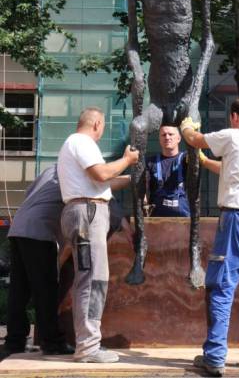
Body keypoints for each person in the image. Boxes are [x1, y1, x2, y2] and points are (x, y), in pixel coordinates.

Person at [126, 0, 214, 287]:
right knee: (135, 130)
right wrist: (137, 75)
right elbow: (132, 43)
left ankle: (195, 247)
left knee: (193, 144)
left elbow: (209, 42)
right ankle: (140, 248)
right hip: (159, 96)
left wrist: (194, 95)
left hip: (183, 94)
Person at [180, 98, 239, 377]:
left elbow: (195, 138)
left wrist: (187, 127)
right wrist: (207, 161)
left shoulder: (231, 136)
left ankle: (215, 357)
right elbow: (233, 170)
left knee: (221, 287)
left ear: (235, 117)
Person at [57, 107, 139, 364]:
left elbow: (102, 182)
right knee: (93, 281)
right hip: (88, 213)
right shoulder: (82, 142)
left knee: (90, 279)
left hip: (83, 211)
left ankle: (87, 344)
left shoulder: (72, 145)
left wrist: (129, 176)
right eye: (103, 126)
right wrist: (127, 160)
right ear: (96, 124)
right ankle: (88, 347)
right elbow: (102, 174)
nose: (102, 132)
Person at [4, 165, 74, 356]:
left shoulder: (51, 170)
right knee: (46, 291)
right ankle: (52, 342)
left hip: (18, 228)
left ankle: (14, 342)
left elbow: (29, 192)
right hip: (38, 232)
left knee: (19, 289)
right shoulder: (76, 171)